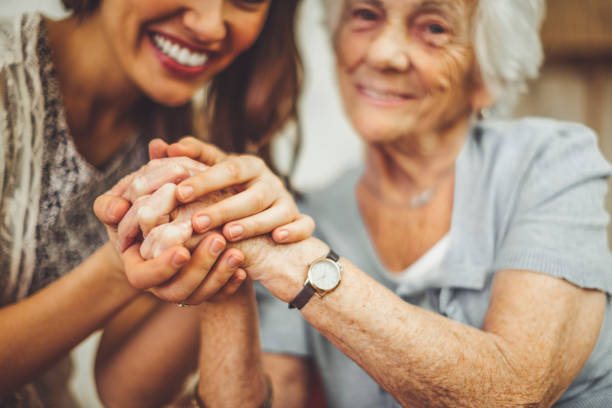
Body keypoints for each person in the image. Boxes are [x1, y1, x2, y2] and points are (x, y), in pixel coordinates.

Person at [99, 0, 612, 406]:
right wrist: (226, 245)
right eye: (365, 15)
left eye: (433, 27)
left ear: (486, 71)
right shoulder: (310, 209)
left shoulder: (551, 161)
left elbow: (512, 393)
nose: (385, 53)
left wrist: (290, 259)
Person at [0, 0, 314, 406]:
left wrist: (227, 253)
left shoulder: (185, 142)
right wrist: (118, 270)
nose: (210, 26)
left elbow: (125, 393)